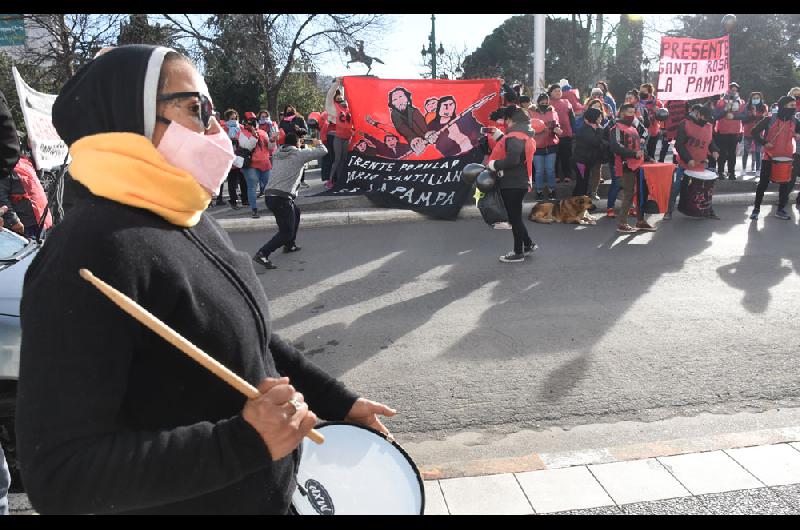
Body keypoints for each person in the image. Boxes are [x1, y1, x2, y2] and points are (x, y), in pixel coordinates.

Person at [16, 45, 396, 515]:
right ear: (129, 119)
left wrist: (338, 401)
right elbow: (60, 475)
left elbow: (246, 340)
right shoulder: (88, 254)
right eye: (198, 109)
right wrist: (242, 443)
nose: (218, 131)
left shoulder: (187, 215)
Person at [253, 132, 328, 270]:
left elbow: (275, 148)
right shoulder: (299, 154)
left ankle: (289, 245)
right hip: (282, 197)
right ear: (297, 142)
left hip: (270, 195)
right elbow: (323, 151)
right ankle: (263, 253)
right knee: (285, 231)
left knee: (296, 212)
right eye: (299, 141)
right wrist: (318, 143)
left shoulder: (277, 154)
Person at [486, 106, 537, 263]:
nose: (505, 123)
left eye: (506, 119)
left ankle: (518, 252)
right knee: (516, 217)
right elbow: (514, 150)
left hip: (512, 182)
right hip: (519, 181)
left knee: (514, 218)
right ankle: (528, 244)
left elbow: (513, 159)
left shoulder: (515, 136)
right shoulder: (523, 134)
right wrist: (499, 136)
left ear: (511, 120)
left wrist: (494, 164)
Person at [664, 104, 720, 220]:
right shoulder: (685, 124)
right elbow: (679, 145)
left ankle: (708, 211)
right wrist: (688, 159)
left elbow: (710, 141)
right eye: (705, 119)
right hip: (685, 164)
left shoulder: (708, 126)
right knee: (676, 188)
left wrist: (714, 150)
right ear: (699, 115)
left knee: (705, 189)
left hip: (700, 164)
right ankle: (668, 211)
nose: (706, 122)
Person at [749, 95, 800, 221]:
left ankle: (780, 209)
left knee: (785, 185)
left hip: (787, 158)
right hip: (769, 157)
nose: (794, 108)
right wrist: (764, 142)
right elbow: (754, 131)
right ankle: (756, 209)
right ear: (783, 106)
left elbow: (798, 132)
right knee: (763, 184)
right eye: (791, 105)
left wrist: (797, 134)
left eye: (795, 106)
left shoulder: (795, 121)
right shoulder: (770, 119)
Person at [610, 103, 656, 233]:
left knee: (642, 194)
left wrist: (648, 158)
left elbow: (638, 147)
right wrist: (633, 154)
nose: (632, 115)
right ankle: (622, 223)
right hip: (626, 166)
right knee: (629, 194)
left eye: (633, 112)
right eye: (629, 112)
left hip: (639, 165)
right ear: (622, 113)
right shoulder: (617, 128)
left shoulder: (634, 127)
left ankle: (640, 221)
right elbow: (616, 147)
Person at [239, 111, 276, 219]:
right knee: (252, 187)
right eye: (250, 122)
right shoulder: (242, 134)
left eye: (254, 122)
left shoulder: (263, 132)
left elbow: (270, 148)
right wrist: (254, 136)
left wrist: (272, 140)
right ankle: (254, 209)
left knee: (269, 187)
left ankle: (273, 207)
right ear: (245, 124)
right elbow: (247, 147)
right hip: (251, 165)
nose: (253, 124)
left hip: (265, 163)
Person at [531, 93, 562, 200]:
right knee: (539, 170)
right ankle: (539, 191)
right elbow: (529, 127)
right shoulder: (532, 112)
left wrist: (556, 129)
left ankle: (551, 190)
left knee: (550, 169)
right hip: (537, 146)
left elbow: (556, 124)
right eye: (542, 102)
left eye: (546, 102)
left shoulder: (553, 112)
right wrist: (537, 129)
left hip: (551, 144)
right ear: (538, 102)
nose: (544, 104)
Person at [572, 107, 607, 202]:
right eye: (599, 117)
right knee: (582, 183)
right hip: (581, 161)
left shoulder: (592, 127)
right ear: (593, 118)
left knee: (583, 183)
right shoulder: (585, 129)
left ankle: (579, 203)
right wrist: (600, 130)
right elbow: (595, 142)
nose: (601, 119)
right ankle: (577, 203)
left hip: (588, 160)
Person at [713, 82, 746, 180]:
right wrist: (724, 110)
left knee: (732, 153)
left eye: (735, 90)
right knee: (722, 153)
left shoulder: (742, 102)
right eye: (731, 89)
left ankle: (731, 172)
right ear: (727, 90)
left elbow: (745, 116)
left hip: (735, 131)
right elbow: (716, 116)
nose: (733, 92)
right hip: (722, 131)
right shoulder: (720, 102)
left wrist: (734, 116)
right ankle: (721, 171)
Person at [325, 78, 353, 188]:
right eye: (337, 95)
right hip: (338, 137)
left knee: (344, 159)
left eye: (340, 95)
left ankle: (341, 180)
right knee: (337, 159)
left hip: (348, 136)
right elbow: (329, 95)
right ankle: (330, 181)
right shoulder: (333, 108)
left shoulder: (348, 108)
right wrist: (337, 83)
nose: (339, 96)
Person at [221, 108, 248, 209]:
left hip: (240, 154)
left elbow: (246, 138)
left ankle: (245, 199)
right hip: (230, 155)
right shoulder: (223, 128)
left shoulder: (240, 127)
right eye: (231, 117)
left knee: (243, 178)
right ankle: (233, 201)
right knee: (232, 179)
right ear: (227, 118)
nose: (234, 118)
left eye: (235, 116)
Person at [548, 83, 575, 184]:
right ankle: (555, 176)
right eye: (555, 91)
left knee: (566, 156)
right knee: (555, 156)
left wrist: (573, 130)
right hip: (552, 134)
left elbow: (572, 117)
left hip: (566, 133)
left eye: (559, 90)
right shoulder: (548, 103)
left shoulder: (566, 102)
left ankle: (567, 175)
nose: (558, 92)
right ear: (550, 93)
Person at [741, 91, 769, 176]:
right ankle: (744, 169)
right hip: (747, 131)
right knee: (745, 151)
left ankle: (758, 170)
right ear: (751, 99)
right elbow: (743, 119)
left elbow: (764, 118)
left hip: (758, 132)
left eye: (757, 98)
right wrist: (752, 116)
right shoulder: (747, 107)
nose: (755, 100)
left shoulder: (764, 107)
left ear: (760, 99)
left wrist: (755, 116)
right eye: (754, 98)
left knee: (758, 151)